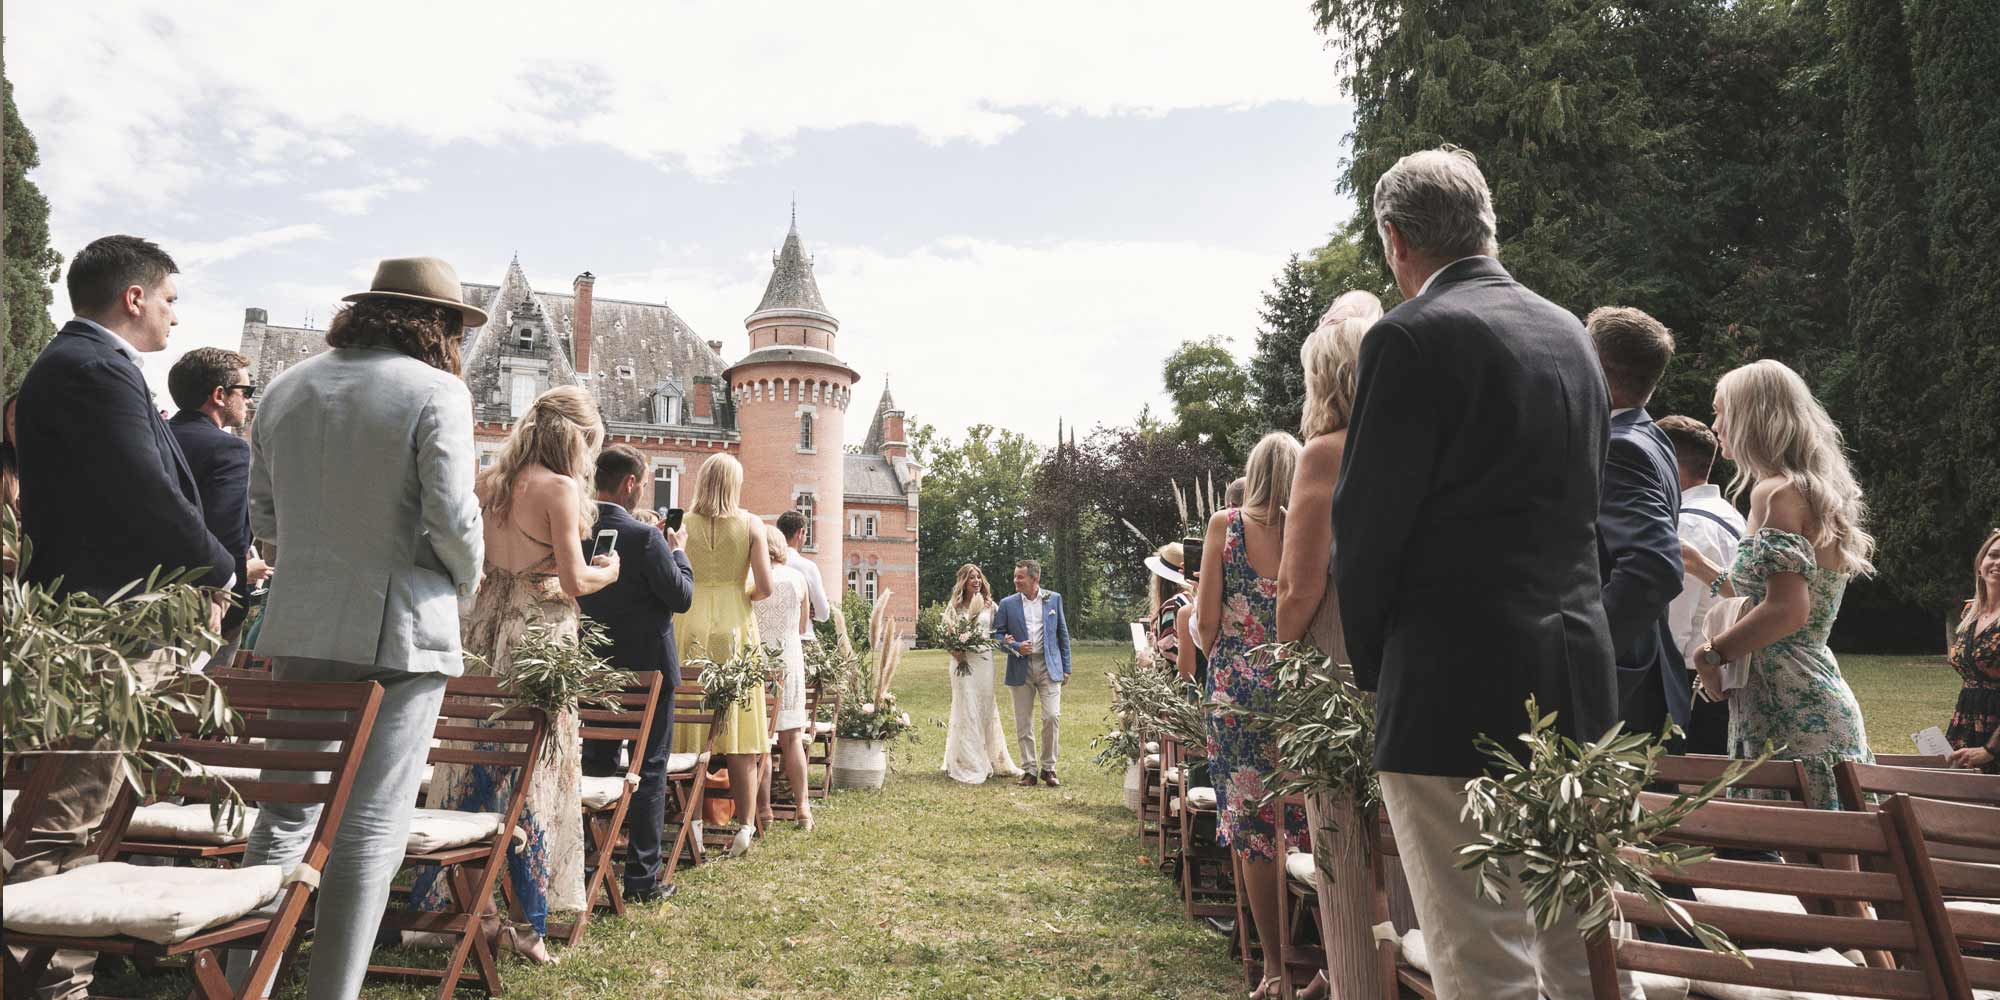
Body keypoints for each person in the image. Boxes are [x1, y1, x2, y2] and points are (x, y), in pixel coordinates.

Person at [1332, 147, 1638, 1000]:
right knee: (1586, 949)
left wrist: (1373, 671)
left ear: (1394, 240)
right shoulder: (1571, 334)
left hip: (1450, 684)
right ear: (1486, 225)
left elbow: (1368, 531)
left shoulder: (1408, 337)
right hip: (1576, 676)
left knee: (1483, 952)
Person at [229, 256, 487, 999]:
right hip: (401, 627)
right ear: (436, 325)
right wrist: (463, 579)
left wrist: (311, 561)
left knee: (285, 814)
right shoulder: (437, 391)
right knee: (372, 828)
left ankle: (252, 979)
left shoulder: (283, 387)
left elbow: (263, 520)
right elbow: (451, 516)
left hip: (300, 621)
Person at [11, 236, 237, 1000]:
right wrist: (222, 568)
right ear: (133, 298)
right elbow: (147, 494)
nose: (176, 314)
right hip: (106, 627)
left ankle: (60, 969)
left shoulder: (76, 365)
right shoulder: (95, 368)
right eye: (170, 298)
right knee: (68, 806)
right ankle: (46, 981)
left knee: (86, 803)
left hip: (95, 618)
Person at [412, 383, 620, 963]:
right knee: (535, 765)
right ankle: (527, 922)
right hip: (537, 635)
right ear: (574, 439)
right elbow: (576, 582)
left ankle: (452, 905)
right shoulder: (556, 490)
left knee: (475, 756)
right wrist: (611, 569)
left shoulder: (489, 481)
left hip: (484, 627)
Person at [1681, 359, 1876, 810]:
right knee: (1835, 865)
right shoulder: (1807, 489)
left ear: (1752, 415)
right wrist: (1704, 568)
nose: (1715, 426)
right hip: (1806, 694)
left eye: (1721, 411)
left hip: (1789, 705)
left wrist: (1710, 654)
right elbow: (1769, 605)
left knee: (1818, 866)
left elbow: (1788, 612)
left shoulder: (1774, 493)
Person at [1274, 301, 1375, 1000]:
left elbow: (1297, 588)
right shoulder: (1419, 445)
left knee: (1342, 841)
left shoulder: (1326, 452)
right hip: (1405, 661)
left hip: (1337, 665)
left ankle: (1354, 983)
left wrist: (1283, 644)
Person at [1194, 431, 1303, 1000]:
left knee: (1252, 827)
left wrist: (1229, 662)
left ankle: (1276, 971)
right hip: (1298, 693)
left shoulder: (1225, 525)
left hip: (1236, 691)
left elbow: (1206, 620)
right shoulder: (1309, 531)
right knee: (1303, 820)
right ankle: (1320, 958)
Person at [576, 444, 695, 903]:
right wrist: (678, 553)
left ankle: (590, 859)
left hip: (597, 669)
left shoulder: (579, 531)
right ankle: (642, 878)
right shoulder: (646, 539)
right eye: (642, 484)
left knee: (597, 763)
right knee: (650, 767)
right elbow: (680, 596)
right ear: (629, 484)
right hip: (649, 671)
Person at [1586, 307, 1688, 741]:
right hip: (1647, 675)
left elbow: (1654, 567)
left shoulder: (1618, 447)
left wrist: (1587, 650)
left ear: (1597, 363)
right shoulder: (1652, 436)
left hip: (1621, 685)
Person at [670, 453, 775, 857]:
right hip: (734, 623)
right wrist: (739, 594)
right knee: (741, 729)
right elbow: (764, 586)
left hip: (690, 619)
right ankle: (745, 826)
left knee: (691, 726)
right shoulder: (751, 524)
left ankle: (693, 822)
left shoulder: (681, 524)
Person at [167, 347, 275, 668]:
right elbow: (225, 534)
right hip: (204, 609)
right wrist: (221, 595)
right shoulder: (228, 450)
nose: (249, 400)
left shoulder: (154, 437)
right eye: (245, 391)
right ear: (219, 395)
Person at [1658, 415, 1744, 755]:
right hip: (1729, 677)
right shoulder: (1732, 517)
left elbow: (1673, 627)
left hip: (1692, 684)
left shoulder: (1684, 527)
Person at [752, 522, 814, 830]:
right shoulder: (798, 578)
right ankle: (803, 807)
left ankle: (764, 811)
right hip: (790, 660)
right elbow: (803, 628)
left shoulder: (752, 578)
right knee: (792, 739)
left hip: (760, 660)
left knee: (761, 738)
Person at [940, 563, 1024, 784]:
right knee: (965, 707)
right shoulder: (954, 606)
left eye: (978, 577)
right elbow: (945, 634)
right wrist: (955, 650)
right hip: (962, 663)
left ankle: (990, 757)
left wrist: (1006, 641)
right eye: (971, 578)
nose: (976, 581)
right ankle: (967, 761)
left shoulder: (990, 606)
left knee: (984, 708)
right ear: (963, 582)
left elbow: (998, 634)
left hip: (984, 663)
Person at [992, 558, 1073, 787]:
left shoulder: (1053, 599)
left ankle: (1049, 768)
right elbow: (996, 637)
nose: (1015, 580)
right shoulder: (1007, 604)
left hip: (1049, 666)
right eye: (1015, 576)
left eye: (1020, 577)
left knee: (1052, 717)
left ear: (1034, 579)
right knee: (1023, 721)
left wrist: (1066, 667)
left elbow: (1062, 635)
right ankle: (1029, 770)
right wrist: (1015, 646)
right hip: (1020, 667)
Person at [1944, 530, 2000, 772]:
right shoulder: (1969, 613)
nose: (1998, 563)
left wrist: (1991, 750)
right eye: (1994, 555)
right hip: (1966, 724)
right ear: (1980, 564)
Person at [776, 509, 831, 639]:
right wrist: (809, 611)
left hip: (771, 639)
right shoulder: (807, 567)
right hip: (802, 637)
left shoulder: (766, 565)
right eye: (806, 534)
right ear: (800, 533)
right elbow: (823, 613)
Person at [1144, 542, 1191, 668]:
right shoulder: (1191, 600)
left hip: (1179, 682)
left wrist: (1148, 660)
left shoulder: (1172, 605)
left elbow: (1169, 655)